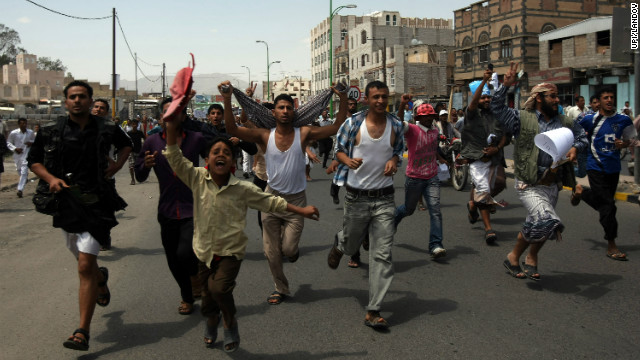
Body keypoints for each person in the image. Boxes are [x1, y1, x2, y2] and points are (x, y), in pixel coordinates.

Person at [162, 99, 319, 352]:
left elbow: (271, 201)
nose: (221, 155)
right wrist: (171, 119)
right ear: (207, 160)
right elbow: (174, 155)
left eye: (226, 153)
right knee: (209, 300)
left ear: (233, 162)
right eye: (216, 153)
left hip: (231, 252)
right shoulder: (196, 178)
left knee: (218, 287)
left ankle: (230, 321)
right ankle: (213, 322)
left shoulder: (242, 188)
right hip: (203, 251)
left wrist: (301, 210)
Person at [221, 80, 348, 305]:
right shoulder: (264, 135)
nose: (285, 111)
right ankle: (281, 287)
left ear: (294, 112)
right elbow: (232, 129)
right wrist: (228, 97)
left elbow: (336, 127)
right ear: (274, 112)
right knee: (272, 252)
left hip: (296, 200)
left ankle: (291, 252)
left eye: (289, 108)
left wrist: (343, 97)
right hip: (270, 198)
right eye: (281, 107)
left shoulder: (304, 133)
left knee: (288, 248)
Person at [27, 80, 132, 351]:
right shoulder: (51, 131)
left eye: (82, 97)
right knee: (77, 252)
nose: (77, 101)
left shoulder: (107, 128)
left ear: (89, 100)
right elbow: (34, 161)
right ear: (66, 102)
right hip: (66, 202)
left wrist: (117, 165)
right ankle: (100, 279)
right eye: (72, 97)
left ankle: (82, 331)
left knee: (84, 265)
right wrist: (50, 178)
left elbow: (127, 145)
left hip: (97, 202)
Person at [491, 63, 587, 280]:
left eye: (557, 96)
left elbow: (582, 138)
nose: (557, 100)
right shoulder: (520, 118)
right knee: (547, 219)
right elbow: (497, 109)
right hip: (528, 184)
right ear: (540, 98)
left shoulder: (565, 122)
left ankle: (519, 256)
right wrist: (505, 85)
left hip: (552, 183)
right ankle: (524, 256)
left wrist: (575, 148)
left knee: (536, 222)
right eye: (552, 96)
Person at [327, 80, 404, 329]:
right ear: (367, 100)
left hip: (384, 198)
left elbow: (399, 150)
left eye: (384, 96)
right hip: (356, 197)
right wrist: (346, 160)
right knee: (351, 246)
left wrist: (394, 160)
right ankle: (341, 242)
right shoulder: (353, 124)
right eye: (375, 97)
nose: (381, 101)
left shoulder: (396, 125)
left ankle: (373, 310)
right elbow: (338, 149)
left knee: (382, 255)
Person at [135, 97, 206, 316]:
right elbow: (139, 174)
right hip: (166, 208)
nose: (170, 116)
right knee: (173, 258)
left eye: (175, 112)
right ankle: (187, 296)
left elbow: (216, 157)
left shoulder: (196, 139)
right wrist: (144, 166)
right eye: (166, 112)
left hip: (192, 207)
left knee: (185, 252)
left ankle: (195, 275)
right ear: (161, 118)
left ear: (183, 116)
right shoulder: (151, 141)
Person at [573, 87, 637, 261]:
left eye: (611, 97)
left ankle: (582, 193)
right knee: (609, 206)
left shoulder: (623, 120)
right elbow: (574, 134)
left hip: (614, 168)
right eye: (605, 97)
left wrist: (623, 144)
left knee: (604, 203)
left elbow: (632, 139)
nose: (609, 100)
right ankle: (612, 245)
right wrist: (573, 151)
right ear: (599, 101)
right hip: (595, 167)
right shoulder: (589, 119)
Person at [395, 97, 448, 258]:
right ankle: (393, 220)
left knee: (435, 210)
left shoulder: (435, 131)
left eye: (430, 115)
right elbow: (398, 123)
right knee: (408, 209)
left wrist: (441, 159)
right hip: (414, 177)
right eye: (424, 116)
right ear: (418, 118)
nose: (428, 118)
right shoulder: (411, 129)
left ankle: (436, 245)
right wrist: (402, 105)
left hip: (432, 176)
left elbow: (434, 148)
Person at [462, 71, 508, 244]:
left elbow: (505, 134)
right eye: (482, 98)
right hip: (477, 158)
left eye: (488, 98)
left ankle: (474, 204)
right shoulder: (471, 113)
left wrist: (497, 148)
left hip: (495, 158)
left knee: (501, 183)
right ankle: (489, 229)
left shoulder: (496, 114)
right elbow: (473, 105)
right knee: (482, 190)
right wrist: (483, 81)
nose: (486, 100)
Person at [7, 118, 35, 198]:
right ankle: (24, 179)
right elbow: (8, 143)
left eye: (25, 123)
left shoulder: (30, 132)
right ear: (19, 124)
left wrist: (31, 143)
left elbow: (34, 141)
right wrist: (15, 148)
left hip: (26, 154)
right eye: (22, 123)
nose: (24, 125)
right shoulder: (14, 133)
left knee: (24, 171)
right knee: (19, 170)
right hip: (17, 154)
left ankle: (20, 189)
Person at [574, 95, 600, 178]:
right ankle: (568, 170)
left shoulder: (607, 117)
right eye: (594, 103)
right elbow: (575, 130)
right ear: (591, 104)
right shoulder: (584, 116)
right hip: (585, 149)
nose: (597, 104)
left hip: (599, 150)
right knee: (582, 173)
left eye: (598, 102)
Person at [126, 119, 144, 185]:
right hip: (131, 152)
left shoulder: (140, 133)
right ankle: (132, 179)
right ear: (131, 125)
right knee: (131, 166)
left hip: (139, 151)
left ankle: (139, 177)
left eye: (135, 124)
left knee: (138, 165)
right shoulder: (129, 133)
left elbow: (145, 139)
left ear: (137, 125)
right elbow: (126, 142)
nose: (134, 125)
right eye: (133, 124)